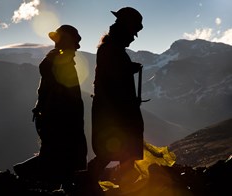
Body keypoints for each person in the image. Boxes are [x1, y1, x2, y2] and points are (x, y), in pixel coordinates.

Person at [13, 25, 87, 187]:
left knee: (55, 154)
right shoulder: (59, 63)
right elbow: (63, 96)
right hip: (60, 119)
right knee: (63, 155)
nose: (77, 48)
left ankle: (29, 174)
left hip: (54, 118)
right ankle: (28, 173)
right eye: (75, 43)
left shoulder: (54, 61)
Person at [88, 7, 144, 193]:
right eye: (133, 32)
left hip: (113, 109)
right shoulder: (111, 50)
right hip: (115, 111)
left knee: (117, 148)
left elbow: (112, 75)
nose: (133, 37)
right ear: (125, 29)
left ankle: (93, 181)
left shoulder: (110, 49)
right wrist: (129, 70)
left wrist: (128, 68)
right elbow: (114, 78)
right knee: (121, 146)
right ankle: (121, 184)